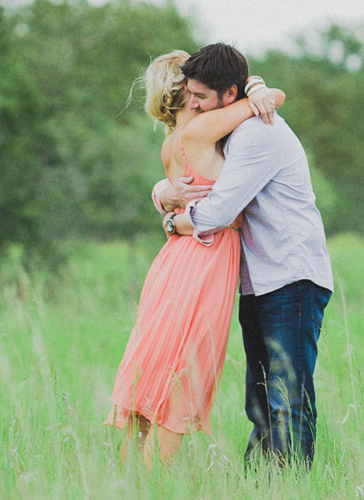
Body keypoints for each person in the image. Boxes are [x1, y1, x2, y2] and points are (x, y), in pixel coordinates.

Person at [154, 43, 333, 469]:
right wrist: (162, 193)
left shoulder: (258, 133)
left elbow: (217, 211)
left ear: (229, 95)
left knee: (286, 396)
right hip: (260, 281)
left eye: (199, 96)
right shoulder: (234, 127)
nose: (191, 103)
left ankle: (289, 494)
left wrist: (173, 221)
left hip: (291, 277)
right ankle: (261, 493)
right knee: (261, 398)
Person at [106, 50, 284, 469]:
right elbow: (273, 96)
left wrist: (166, 210)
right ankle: (152, 487)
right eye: (196, 87)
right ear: (187, 92)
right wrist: (256, 85)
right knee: (182, 373)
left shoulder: (171, 145)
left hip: (174, 260)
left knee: (151, 371)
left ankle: (128, 484)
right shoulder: (203, 130)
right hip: (206, 260)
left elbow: (174, 198)